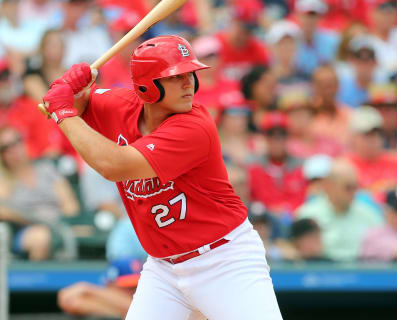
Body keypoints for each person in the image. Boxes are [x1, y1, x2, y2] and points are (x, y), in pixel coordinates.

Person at [41, 35, 283, 320]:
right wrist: (70, 91)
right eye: (175, 76)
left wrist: (64, 111)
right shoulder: (120, 104)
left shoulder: (194, 127)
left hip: (224, 260)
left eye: (191, 74)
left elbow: (113, 164)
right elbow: (71, 105)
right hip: (163, 268)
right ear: (146, 86)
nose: (188, 83)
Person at [0, 125, 79, 260]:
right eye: (6, 147)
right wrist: (37, 219)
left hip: (59, 225)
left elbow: (71, 206)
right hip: (22, 231)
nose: (14, 150)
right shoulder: (4, 179)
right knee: (41, 237)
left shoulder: (46, 169)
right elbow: (4, 210)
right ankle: (37, 280)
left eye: (16, 141)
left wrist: (58, 223)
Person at [296, 158, 381, 261]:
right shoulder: (307, 214)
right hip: (321, 271)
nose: (353, 193)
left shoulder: (369, 214)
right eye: (348, 187)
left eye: (356, 187)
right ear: (329, 186)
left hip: (362, 271)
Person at [58, 258, 144, 318]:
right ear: (110, 284)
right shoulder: (95, 300)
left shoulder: (143, 304)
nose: (133, 291)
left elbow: (131, 306)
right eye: (128, 287)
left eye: (136, 287)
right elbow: (69, 301)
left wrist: (87, 289)